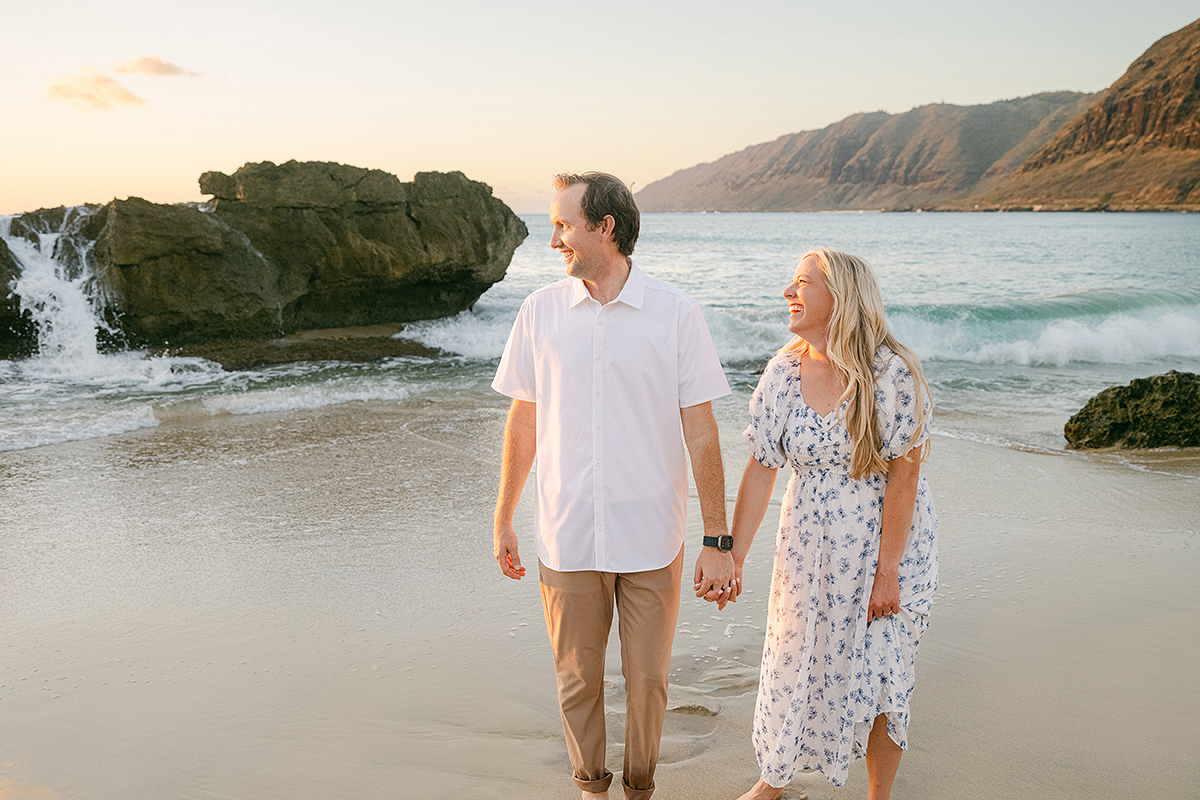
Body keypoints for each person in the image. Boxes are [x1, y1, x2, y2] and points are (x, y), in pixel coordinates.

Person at [491, 171, 736, 800]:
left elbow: (702, 432)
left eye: (564, 225)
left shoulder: (676, 313)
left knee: (649, 680)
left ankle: (640, 788)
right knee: (576, 679)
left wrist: (719, 538)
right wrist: (503, 517)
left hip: (652, 532)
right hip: (566, 530)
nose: (553, 241)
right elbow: (524, 421)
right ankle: (590, 789)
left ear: (606, 227)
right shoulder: (539, 312)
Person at [714, 248, 937, 800]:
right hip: (808, 547)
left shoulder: (891, 373)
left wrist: (888, 573)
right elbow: (762, 469)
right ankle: (773, 781)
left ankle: (877, 796)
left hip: (888, 547)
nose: (788, 293)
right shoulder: (783, 373)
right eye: (791, 283)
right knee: (796, 655)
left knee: (882, 668)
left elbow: (904, 477)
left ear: (842, 298)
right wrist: (733, 557)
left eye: (802, 283)